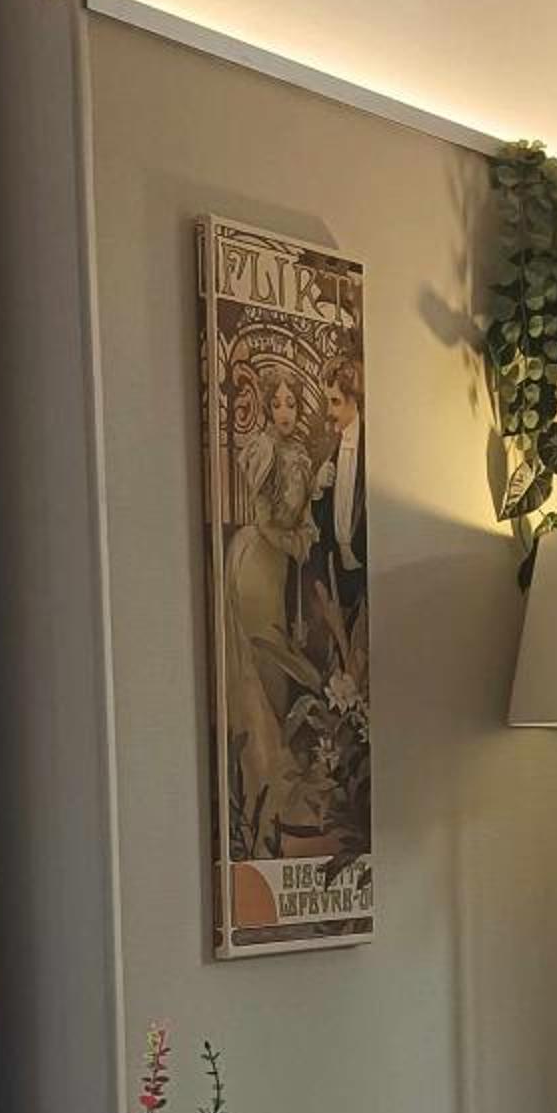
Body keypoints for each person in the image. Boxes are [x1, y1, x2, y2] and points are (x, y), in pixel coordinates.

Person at [222, 369, 318, 847]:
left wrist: (304, 538)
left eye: (291, 404)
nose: (284, 412)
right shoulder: (262, 451)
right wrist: (295, 541)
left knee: (278, 668)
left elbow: (304, 520)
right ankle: (259, 780)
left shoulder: (302, 457)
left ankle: (274, 795)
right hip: (257, 558)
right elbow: (265, 519)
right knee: (261, 661)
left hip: (280, 566)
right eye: (277, 404)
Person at [303, 349, 366, 666]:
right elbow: (320, 519)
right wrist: (317, 489)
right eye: (328, 401)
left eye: (336, 402)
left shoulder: (370, 450)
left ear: (355, 400)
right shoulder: (333, 451)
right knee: (343, 649)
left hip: (365, 563)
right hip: (339, 565)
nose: (330, 411)